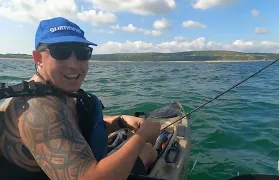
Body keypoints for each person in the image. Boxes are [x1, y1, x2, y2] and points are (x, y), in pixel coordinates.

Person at [0, 17, 161, 180]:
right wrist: (142, 136)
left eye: (83, 53)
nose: (74, 64)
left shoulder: (55, 90)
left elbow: (68, 125)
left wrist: (119, 121)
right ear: (38, 58)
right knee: (146, 150)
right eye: (61, 52)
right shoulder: (38, 111)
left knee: (146, 150)